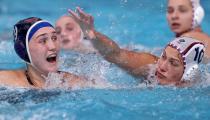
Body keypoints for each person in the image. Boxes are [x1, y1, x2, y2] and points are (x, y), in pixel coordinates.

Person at [69, 8, 206, 87]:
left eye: (173, 63)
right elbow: (115, 54)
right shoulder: (150, 67)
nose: (162, 66)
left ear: (189, 72)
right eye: (163, 57)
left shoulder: (201, 87)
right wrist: (93, 35)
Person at [0, 17, 87, 88]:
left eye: (54, 38)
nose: (53, 46)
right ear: (23, 50)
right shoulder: (6, 80)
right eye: (43, 40)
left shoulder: (72, 82)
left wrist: (94, 36)